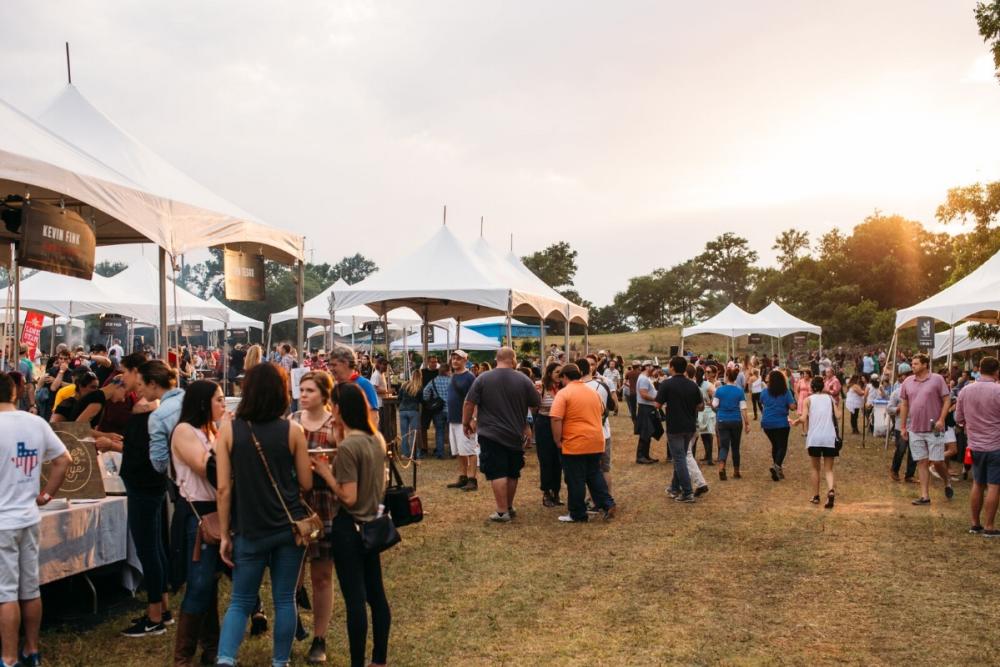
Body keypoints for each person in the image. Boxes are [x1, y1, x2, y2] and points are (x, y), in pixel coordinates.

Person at [215, 363, 313, 667]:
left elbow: (222, 488)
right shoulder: (293, 430)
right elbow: (306, 483)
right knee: (284, 599)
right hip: (288, 525)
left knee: (241, 600)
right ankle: (279, 662)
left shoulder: (228, 429)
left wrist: (223, 533)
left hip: (249, 526)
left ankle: (226, 659)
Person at [309, 382, 392, 667]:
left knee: (355, 599)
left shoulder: (347, 447)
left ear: (340, 409)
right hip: (373, 524)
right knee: (376, 596)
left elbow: (348, 496)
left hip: (349, 527)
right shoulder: (376, 439)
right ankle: (379, 659)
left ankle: (358, 661)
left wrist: (325, 473)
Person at [0, 372, 71, 667]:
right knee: (29, 588)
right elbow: (64, 459)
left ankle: (8, 657)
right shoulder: (35, 422)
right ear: (15, 393)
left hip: (2, 521)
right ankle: (32, 650)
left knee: (5, 594)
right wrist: (46, 495)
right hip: (29, 516)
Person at [170, 380, 226, 666]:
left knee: (211, 582)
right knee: (200, 583)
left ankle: (212, 648)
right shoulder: (184, 431)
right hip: (197, 515)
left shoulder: (212, 430)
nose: (223, 404)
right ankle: (184, 657)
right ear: (203, 402)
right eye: (218, 399)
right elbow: (210, 470)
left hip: (218, 512)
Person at [119, 357, 174, 637]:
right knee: (155, 547)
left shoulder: (148, 412)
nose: (137, 389)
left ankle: (154, 616)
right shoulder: (156, 410)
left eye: (140, 383)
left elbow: (143, 452)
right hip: (150, 484)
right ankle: (162, 608)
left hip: (143, 485)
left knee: (148, 549)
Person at [290, 371, 338, 664]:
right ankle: (292, 617)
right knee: (292, 571)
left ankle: (320, 637)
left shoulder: (334, 425)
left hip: (324, 503)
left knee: (322, 574)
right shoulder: (292, 421)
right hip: (295, 503)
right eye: (301, 389)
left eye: (309, 390)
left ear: (324, 394)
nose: (303, 395)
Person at [462, 347, 540, 523]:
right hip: (515, 433)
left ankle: (501, 511)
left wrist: (467, 422)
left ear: (496, 359)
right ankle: (509, 506)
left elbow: (469, 403)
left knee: (498, 472)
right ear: (513, 360)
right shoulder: (524, 379)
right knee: (512, 472)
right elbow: (536, 403)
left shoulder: (482, 378)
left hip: (490, 433)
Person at [550, 363, 616, 522]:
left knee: (575, 478)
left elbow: (556, 418)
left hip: (575, 442)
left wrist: (557, 440)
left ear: (565, 377)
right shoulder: (593, 392)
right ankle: (608, 503)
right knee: (594, 474)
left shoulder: (564, 393)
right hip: (595, 440)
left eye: (562, 380)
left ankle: (577, 513)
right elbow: (602, 411)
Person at [898, 353, 954, 506]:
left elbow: (947, 399)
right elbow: (904, 404)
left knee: (936, 461)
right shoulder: (907, 381)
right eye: (912, 363)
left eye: (915, 364)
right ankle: (925, 496)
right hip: (915, 428)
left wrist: (942, 419)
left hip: (934, 427)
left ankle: (947, 480)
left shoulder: (937, 379)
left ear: (924, 365)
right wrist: (903, 426)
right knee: (922, 461)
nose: (912, 366)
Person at [955, 356, 1000, 536]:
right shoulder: (998, 391)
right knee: (994, 486)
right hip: (996, 445)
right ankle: (989, 526)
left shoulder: (966, 390)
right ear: (997, 371)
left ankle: (975, 523)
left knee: (978, 484)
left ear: (979, 369)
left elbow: (958, 419)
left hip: (974, 445)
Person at [655, 357, 705, 503]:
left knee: (679, 458)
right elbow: (701, 406)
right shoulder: (693, 385)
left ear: (672, 367)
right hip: (689, 426)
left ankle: (687, 492)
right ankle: (674, 487)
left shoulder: (666, 384)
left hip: (675, 427)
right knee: (681, 456)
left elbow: (657, 404)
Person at [792, 376, 840, 508]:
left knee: (815, 468)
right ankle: (830, 491)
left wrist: (795, 422)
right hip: (829, 437)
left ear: (812, 388)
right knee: (829, 469)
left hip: (814, 438)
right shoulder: (830, 399)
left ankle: (816, 496)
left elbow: (803, 418)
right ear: (823, 386)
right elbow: (838, 415)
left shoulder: (808, 400)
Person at [580, 356, 617, 495]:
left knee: (603, 469)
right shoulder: (578, 385)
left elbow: (614, 406)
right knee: (592, 469)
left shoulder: (605, 382)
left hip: (602, 432)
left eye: (593, 364)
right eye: (588, 364)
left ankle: (607, 499)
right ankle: (597, 499)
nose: (590, 367)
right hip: (590, 433)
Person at [446, 350, 479, 491]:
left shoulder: (470, 377)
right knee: (460, 450)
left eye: (458, 359)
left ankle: (472, 479)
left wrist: (473, 418)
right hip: (453, 419)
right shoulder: (453, 376)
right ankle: (463, 476)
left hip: (464, 420)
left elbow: (476, 400)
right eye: (453, 358)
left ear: (465, 360)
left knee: (470, 449)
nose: (455, 361)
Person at [534, 362, 564, 507]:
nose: (559, 375)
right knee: (546, 459)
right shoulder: (541, 386)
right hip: (544, 423)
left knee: (558, 460)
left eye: (561, 372)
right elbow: (534, 406)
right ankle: (546, 492)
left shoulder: (564, 387)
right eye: (557, 372)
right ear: (550, 373)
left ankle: (556, 491)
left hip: (560, 423)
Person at [713, 366, 750, 481]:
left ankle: (721, 468)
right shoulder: (739, 391)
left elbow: (714, 405)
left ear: (726, 377)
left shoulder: (719, 390)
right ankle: (736, 471)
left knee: (724, 446)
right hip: (736, 420)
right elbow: (743, 408)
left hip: (722, 420)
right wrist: (747, 423)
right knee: (735, 447)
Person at [326, 345, 379, 423]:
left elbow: (374, 416)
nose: (330, 369)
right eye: (329, 365)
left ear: (346, 363)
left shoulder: (364, 384)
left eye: (334, 365)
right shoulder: (334, 387)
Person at [760, 370, 796, 482]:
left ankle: (777, 470)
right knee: (782, 446)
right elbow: (792, 407)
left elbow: (761, 402)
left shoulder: (765, 392)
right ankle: (777, 466)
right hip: (781, 423)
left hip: (767, 423)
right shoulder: (786, 392)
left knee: (775, 445)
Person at [888, 363, 917, 483]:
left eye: (909, 374)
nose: (907, 377)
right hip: (901, 426)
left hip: (915, 426)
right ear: (900, 378)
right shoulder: (896, 392)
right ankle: (894, 470)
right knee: (901, 450)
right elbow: (889, 408)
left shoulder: (917, 390)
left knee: (914, 452)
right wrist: (898, 409)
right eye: (904, 375)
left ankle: (909, 475)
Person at [634, 361, 661, 464]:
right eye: (652, 367)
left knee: (648, 432)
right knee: (645, 433)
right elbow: (643, 394)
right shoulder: (644, 379)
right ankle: (640, 457)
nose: (654, 369)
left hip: (648, 408)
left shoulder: (646, 378)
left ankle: (645, 456)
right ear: (647, 367)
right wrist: (656, 398)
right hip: (645, 408)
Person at [423, 362, 451, 459]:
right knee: (451, 431)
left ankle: (440, 453)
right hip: (450, 409)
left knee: (439, 431)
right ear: (447, 371)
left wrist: (429, 400)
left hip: (438, 409)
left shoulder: (433, 381)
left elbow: (425, 392)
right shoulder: (451, 381)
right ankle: (452, 452)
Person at [396, 373, 423, 459]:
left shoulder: (404, 385)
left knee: (404, 434)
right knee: (413, 434)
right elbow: (421, 400)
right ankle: (414, 454)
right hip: (413, 410)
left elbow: (399, 398)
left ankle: (405, 453)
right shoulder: (418, 387)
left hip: (403, 410)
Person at [696, 365, 718, 464]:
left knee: (704, 435)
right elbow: (716, 394)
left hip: (700, 411)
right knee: (708, 435)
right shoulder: (707, 384)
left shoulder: (695, 384)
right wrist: (712, 402)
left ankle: (708, 456)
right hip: (708, 411)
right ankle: (709, 457)